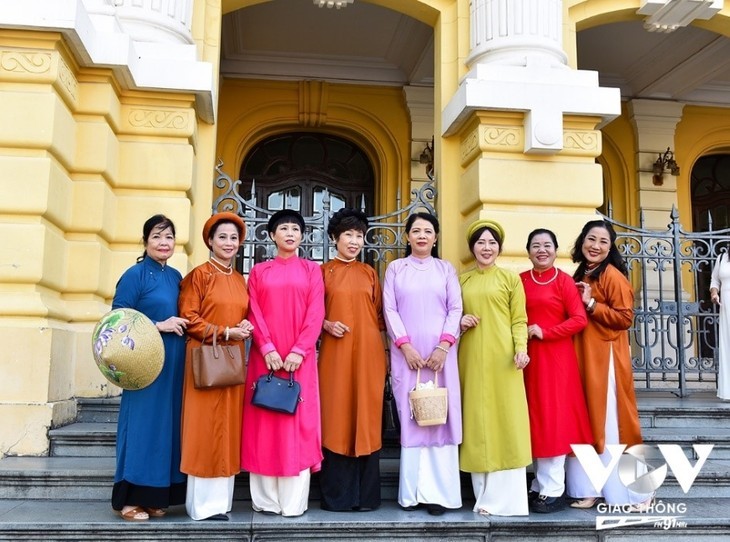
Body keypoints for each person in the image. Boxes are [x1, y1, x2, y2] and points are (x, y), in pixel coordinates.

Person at [241, 209, 325, 517]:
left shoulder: (311, 271)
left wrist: (299, 350)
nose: (290, 233)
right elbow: (254, 312)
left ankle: (292, 502)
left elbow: (316, 312)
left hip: (298, 361)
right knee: (264, 424)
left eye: (295, 229)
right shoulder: (260, 271)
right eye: (283, 228)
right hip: (265, 360)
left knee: (296, 425)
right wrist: (266, 347)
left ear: (302, 237)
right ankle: (264, 500)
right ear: (272, 235)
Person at [566, 219, 653, 510]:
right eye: (591, 239)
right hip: (583, 358)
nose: (596, 246)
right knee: (586, 424)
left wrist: (592, 305)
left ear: (610, 247)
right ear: (582, 241)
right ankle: (591, 488)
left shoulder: (612, 276)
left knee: (613, 425)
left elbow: (625, 318)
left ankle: (636, 493)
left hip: (607, 362)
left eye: (603, 242)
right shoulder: (582, 273)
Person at [382, 212, 462, 516]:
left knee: (441, 416)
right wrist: (405, 346)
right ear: (406, 237)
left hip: (442, 356)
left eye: (428, 231)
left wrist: (443, 345)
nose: (422, 236)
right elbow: (389, 309)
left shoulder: (445, 270)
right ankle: (413, 494)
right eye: (415, 231)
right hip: (408, 357)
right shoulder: (395, 269)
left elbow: (455, 308)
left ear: (436, 237)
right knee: (414, 415)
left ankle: (440, 495)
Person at [111, 214, 189, 521]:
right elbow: (117, 320)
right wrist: (159, 324)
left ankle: (157, 497)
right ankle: (130, 500)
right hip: (143, 364)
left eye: (169, 236)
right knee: (142, 428)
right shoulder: (135, 275)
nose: (163, 242)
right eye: (157, 236)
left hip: (173, 364)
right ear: (145, 241)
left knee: (166, 429)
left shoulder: (175, 277)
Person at [178, 212, 253, 521]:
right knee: (203, 428)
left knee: (228, 427)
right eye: (222, 237)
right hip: (205, 359)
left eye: (233, 238)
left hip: (233, 360)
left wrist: (244, 325)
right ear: (210, 240)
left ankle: (221, 503)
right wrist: (224, 332)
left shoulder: (239, 279)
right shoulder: (199, 275)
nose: (228, 243)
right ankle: (201, 505)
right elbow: (189, 317)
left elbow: (243, 313)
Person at [458, 218, 531, 516]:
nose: (486, 248)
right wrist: (459, 322)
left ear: (499, 247)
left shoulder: (510, 279)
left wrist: (521, 349)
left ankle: (506, 500)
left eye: (492, 243)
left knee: (506, 421)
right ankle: (482, 497)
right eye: (480, 242)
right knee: (476, 420)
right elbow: (449, 314)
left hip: (504, 359)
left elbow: (519, 318)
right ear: (472, 247)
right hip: (470, 357)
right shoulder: (462, 280)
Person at [519, 228, 593, 513]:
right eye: (535, 245)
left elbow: (579, 320)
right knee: (534, 419)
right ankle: (539, 485)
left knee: (554, 420)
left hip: (557, 360)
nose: (541, 250)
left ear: (555, 249)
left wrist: (546, 331)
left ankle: (554, 490)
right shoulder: (521, 281)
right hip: (527, 359)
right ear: (528, 251)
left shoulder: (563, 281)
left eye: (547, 245)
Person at [318, 208, 388, 511]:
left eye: (359, 235)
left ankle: (366, 498)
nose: (354, 241)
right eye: (348, 234)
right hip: (335, 354)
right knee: (336, 415)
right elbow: (312, 313)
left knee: (367, 416)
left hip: (369, 354)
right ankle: (338, 497)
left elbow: (380, 316)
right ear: (335, 238)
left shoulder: (370, 273)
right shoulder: (322, 272)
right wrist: (326, 324)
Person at [710, 252, 730, 400]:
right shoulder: (722, 257)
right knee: (727, 344)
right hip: (726, 306)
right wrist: (714, 294)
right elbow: (715, 281)